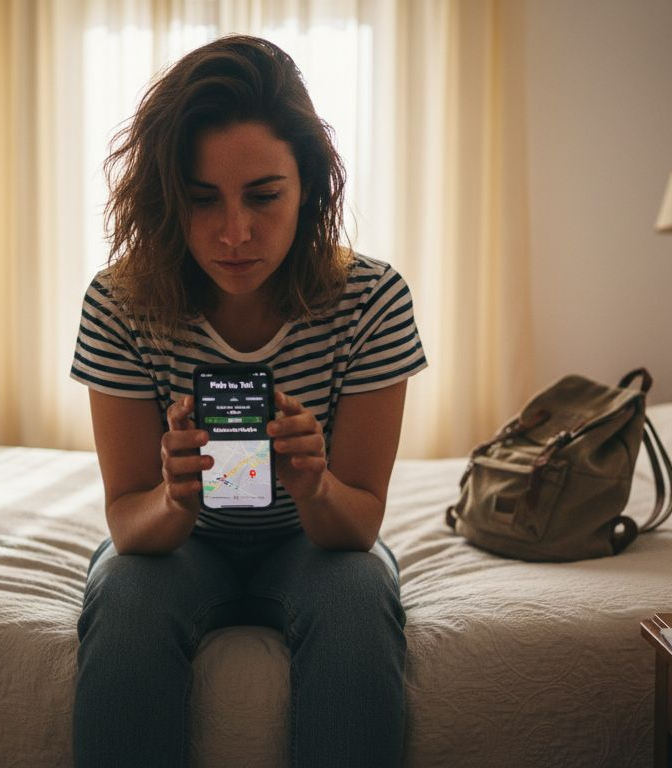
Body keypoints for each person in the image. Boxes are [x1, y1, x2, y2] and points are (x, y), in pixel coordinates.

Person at [70, 35, 427, 767]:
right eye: (202, 200)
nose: (234, 234)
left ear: (311, 185)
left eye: (264, 196)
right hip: (180, 547)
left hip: (315, 544)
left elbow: (357, 524)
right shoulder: (120, 301)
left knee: (359, 592)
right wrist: (175, 500)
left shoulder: (372, 300)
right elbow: (127, 519)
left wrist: (315, 484)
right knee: (127, 595)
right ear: (168, 201)